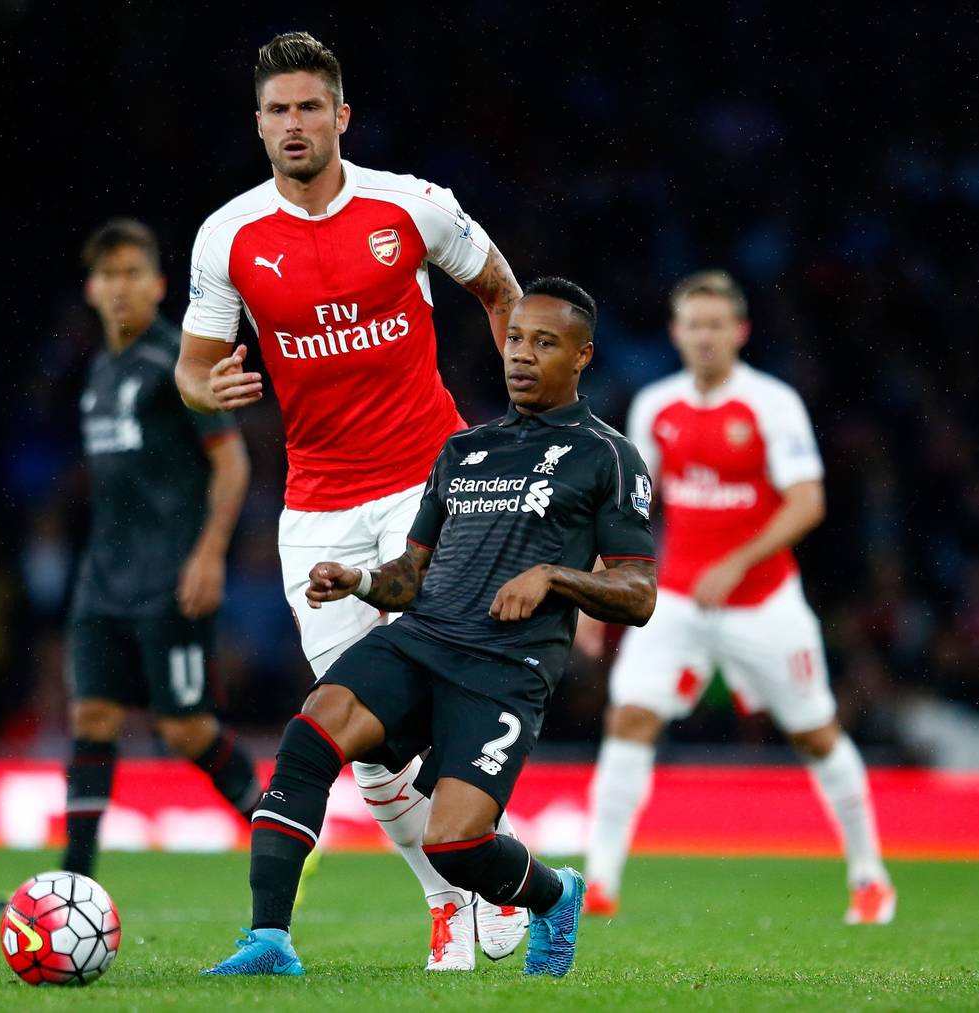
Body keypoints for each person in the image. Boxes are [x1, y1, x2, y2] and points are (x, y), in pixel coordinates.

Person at [174, 32, 527, 969]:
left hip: (428, 483)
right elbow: (190, 373)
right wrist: (214, 390)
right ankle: (450, 896)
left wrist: (527, 420)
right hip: (317, 510)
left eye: (308, 107)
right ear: (258, 125)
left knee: (437, 703)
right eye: (277, 111)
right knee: (360, 731)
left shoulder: (412, 207)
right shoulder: (229, 236)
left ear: (340, 116)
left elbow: (500, 294)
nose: (294, 124)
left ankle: (490, 874)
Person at [202, 278, 657, 977]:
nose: (521, 355)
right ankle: (269, 939)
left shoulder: (607, 456)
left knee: (455, 844)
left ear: (582, 355)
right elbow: (407, 578)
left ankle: (554, 893)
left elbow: (638, 590)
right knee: (311, 733)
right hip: (421, 639)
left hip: (506, 668)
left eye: (544, 342)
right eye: (513, 339)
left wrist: (556, 578)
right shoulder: (463, 450)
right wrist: (356, 582)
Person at [578, 270, 896, 924]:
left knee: (813, 732)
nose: (703, 336)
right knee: (629, 717)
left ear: (739, 331)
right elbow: (631, 506)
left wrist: (738, 559)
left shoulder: (770, 403)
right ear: (675, 332)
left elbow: (808, 501)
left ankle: (869, 876)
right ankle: (600, 881)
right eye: (692, 325)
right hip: (677, 600)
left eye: (715, 325)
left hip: (763, 600)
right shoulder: (655, 405)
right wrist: (593, 585)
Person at [61, 218, 260, 877]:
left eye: (132, 274)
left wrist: (209, 554)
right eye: (108, 275)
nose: (120, 288)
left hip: (170, 577)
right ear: (91, 288)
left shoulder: (177, 364)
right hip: (102, 578)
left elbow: (232, 463)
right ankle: (74, 877)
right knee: (90, 714)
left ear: (158, 284)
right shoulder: (99, 369)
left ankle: (272, 828)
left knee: (183, 728)